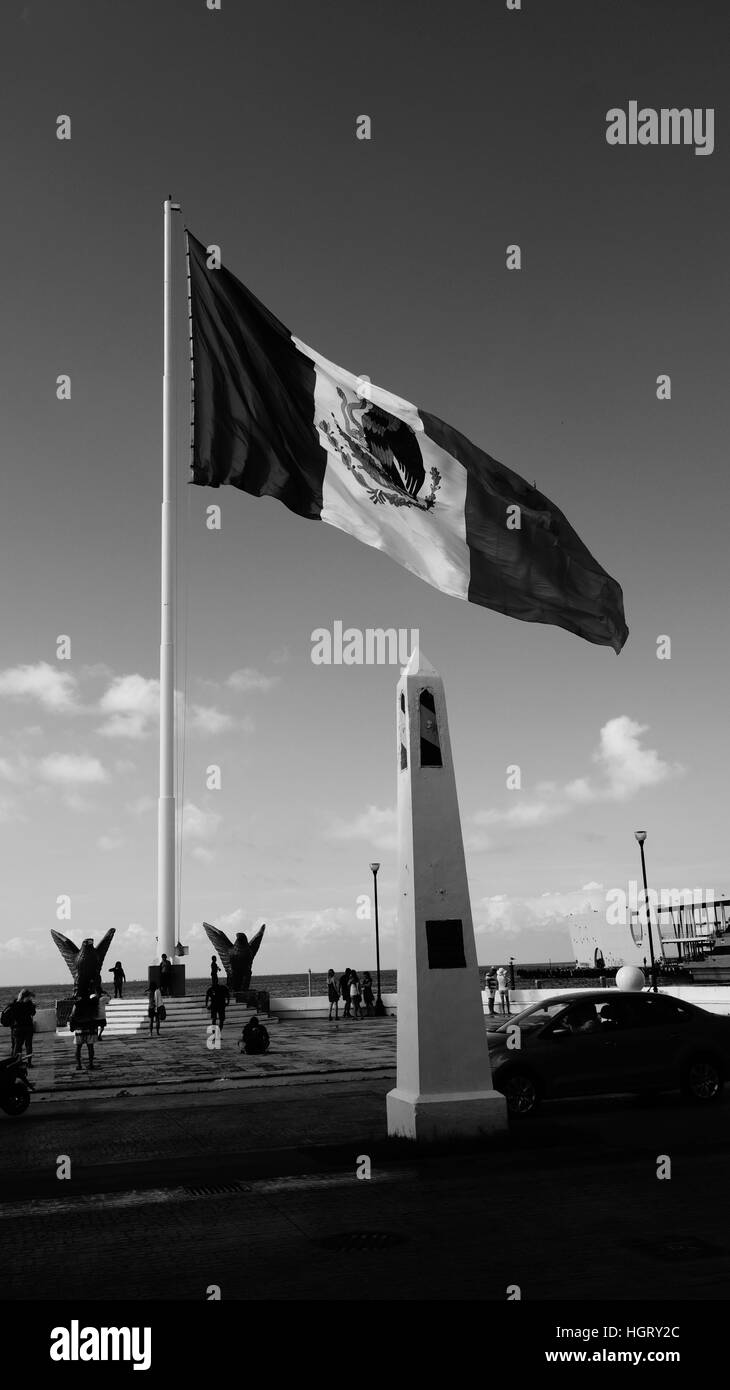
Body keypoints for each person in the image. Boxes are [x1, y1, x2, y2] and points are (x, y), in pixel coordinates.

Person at [69, 994, 98, 1071]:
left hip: (79, 1028)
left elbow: (72, 1016)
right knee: (90, 1047)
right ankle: (91, 1064)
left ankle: (79, 1065)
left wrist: (72, 1027)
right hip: (90, 1028)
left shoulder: (77, 1004)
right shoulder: (92, 1003)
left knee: (78, 1047)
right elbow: (95, 1015)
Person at [11, 989, 36, 1067]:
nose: (30, 998)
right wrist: (33, 1006)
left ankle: (16, 1062)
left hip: (17, 1028)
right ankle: (29, 1062)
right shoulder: (29, 1003)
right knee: (28, 1045)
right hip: (27, 1027)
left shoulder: (15, 1003)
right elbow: (33, 1013)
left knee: (17, 1046)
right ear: (26, 996)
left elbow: (13, 1015)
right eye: (29, 996)